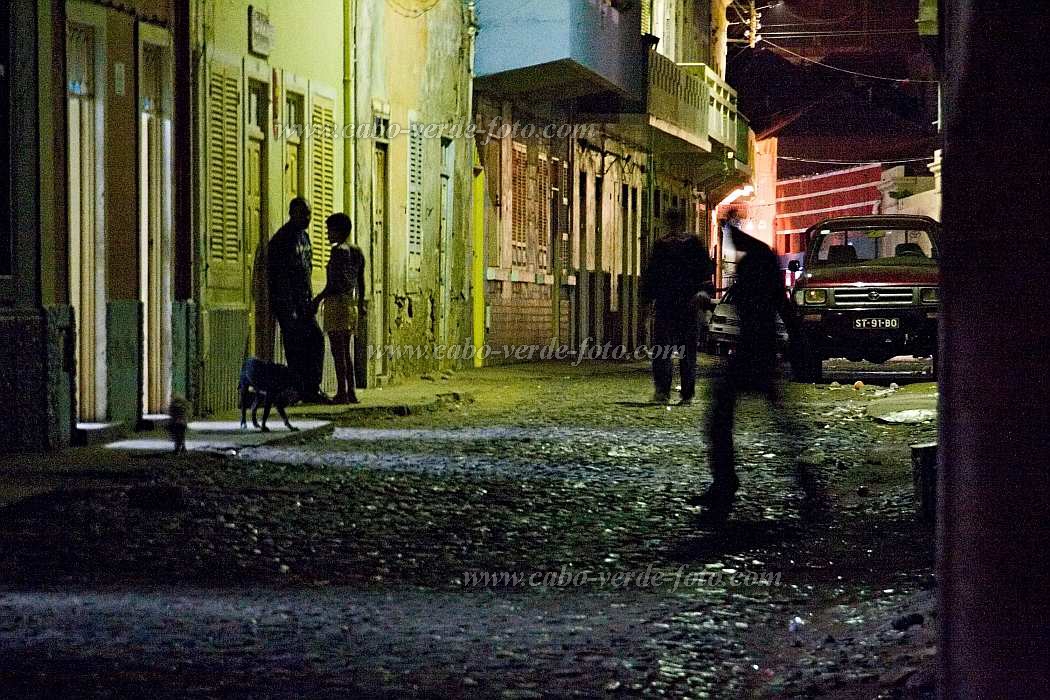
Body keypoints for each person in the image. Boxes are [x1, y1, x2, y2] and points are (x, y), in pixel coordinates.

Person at [695, 219, 810, 516]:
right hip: (761, 351)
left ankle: (725, 483)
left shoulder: (754, 263)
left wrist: (710, 304)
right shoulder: (762, 260)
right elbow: (781, 306)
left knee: (720, 419)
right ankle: (806, 480)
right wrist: (798, 344)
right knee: (781, 422)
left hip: (751, 353)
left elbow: (754, 303)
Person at [640, 208, 715, 406]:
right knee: (685, 351)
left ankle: (665, 391)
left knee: (665, 350)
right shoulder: (692, 244)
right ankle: (685, 394)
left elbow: (652, 276)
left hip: (670, 304)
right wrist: (704, 293)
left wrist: (646, 301)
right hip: (685, 304)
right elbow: (706, 271)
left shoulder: (662, 246)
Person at [267, 197, 328, 403]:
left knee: (316, 340)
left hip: (304, 301)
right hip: (289, 304)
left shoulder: (304, 238)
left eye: (309, 214)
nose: (309, 218)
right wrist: (288, 307)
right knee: (294, 348)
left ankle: (312, 388)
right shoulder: (281, 240)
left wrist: (310, 299)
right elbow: (279, 277)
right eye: (304, 214)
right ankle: (298, 390)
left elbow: (306, 270)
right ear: (292, 213)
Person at [313, 213, 366, 404]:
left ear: (339, 231)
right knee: (346, 351)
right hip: (350, 304)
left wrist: (318, 298)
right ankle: (351, 391)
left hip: (336, 304)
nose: (328, 234)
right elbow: (361, 282)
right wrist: (360, 305)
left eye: (330, 230)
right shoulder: (357, 251)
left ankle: (342, 392)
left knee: (338, 352)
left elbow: (333, 284)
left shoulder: (338, 251)